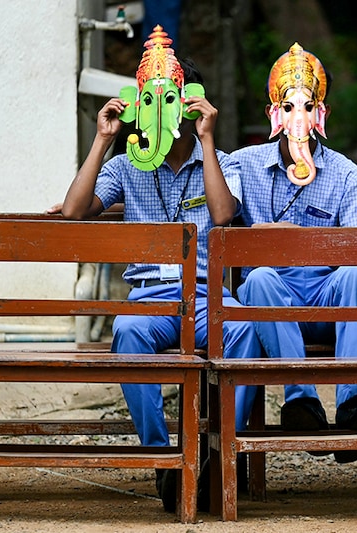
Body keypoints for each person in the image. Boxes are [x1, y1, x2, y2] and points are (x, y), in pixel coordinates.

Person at [60, 27, 261, 512]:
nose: (161, 111)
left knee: (249, 330)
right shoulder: (130, 165)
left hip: (209, 298)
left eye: (170, 100)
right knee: (127, 332)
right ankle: (163, 456)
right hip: (150, 298)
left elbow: (221, 214)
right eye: (151, 100)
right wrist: (104, 139)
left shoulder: (221, 161)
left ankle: (214, 457)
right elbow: (74, 212)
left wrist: (207, 140)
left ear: (190, 104)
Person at [230, 43, 357, 464]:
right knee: (260, 276)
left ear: (323, 114)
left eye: (307, 106)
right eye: (287, 107)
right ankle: (303, 405)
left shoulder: (348, 175)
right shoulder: (242, 165)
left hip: (327, 294)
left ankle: (353, 405)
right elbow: (218, 215)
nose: (296, 118)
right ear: (273, 114)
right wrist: (275, 232)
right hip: (273, 297)